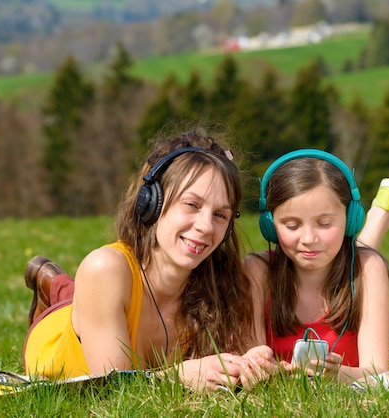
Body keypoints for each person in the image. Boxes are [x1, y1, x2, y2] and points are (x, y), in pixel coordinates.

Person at [23, 128, 275, 391]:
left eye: (220, 215)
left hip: (105, 303)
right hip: (53, 345)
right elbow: (113, 392)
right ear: (151, 202)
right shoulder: (104, 269)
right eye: (192, 205)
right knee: (76, 294)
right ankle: (51, 282)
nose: (206, 226)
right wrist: (178, 377)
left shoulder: (216, 280)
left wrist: (250, 364)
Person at [243, 149, 389, 384]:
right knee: (346, 251)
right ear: (270, 225)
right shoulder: (257, 271)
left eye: (325, 223)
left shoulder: (369, 269)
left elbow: (378, 370)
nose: (308, 238)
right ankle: (381, 212)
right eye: (292, 225)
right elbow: (250, 359)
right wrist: (259, 367)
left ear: (350, 219)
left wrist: (338, 376)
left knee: (363, 257)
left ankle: (383, 213)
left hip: (353, 259)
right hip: (338, 252)